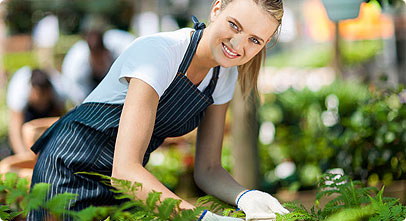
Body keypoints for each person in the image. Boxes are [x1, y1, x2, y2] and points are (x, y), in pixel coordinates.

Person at [28, 0, 289, 220]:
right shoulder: (160, 54)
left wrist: (246, 197)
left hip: (121, 187)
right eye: (234, 25)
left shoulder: (223, 76)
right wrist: (201, 217)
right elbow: (125, 172)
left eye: (254, 40)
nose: (238, 45)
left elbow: (207, 169)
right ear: (216, 8)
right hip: (67, 170)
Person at [61, 28, 135, 105]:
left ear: (106, 51)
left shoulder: (121, 45)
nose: (100, 66)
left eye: (101, 61)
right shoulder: (75, 70)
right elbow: (83, 102)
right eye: (97, 62)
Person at [7, 66, 64, 156]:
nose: (41, 104)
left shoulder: (59, 91)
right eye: (38, 101)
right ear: (31, 92)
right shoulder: (19, 92)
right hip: (27, 116)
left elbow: (58, 124)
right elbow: (15, 132)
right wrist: (24, 156)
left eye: (44, 100)